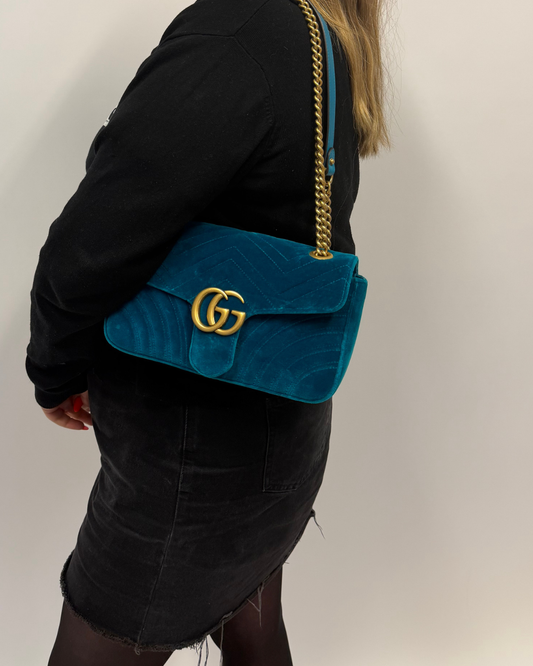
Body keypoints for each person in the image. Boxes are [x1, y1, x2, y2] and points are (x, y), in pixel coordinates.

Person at [25, 0, 391, 663]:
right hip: (279, 431)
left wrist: (55, 367)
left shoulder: (241, 29)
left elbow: (91, 243)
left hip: (191, 458)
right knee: (253, 630)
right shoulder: (320, 36)